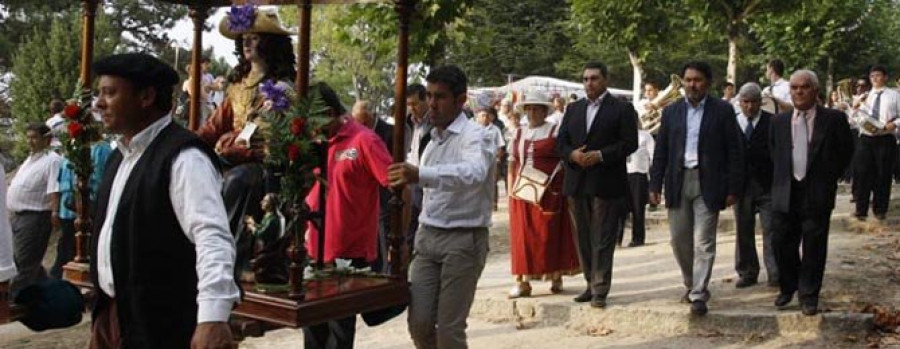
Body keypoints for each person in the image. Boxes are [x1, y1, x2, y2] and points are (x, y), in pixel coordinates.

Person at [89, 53, 239, 347]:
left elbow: (212, 237)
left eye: (110, 93)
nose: (99, 103)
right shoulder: (119, 156)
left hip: (160, 325)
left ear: (146, 97)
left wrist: (212, 317)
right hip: (114, 316)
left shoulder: (184, 157)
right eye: (99, 93)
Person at [387, 65, 494, 349]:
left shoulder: (475, 135)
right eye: (430, 96)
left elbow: (473, 173)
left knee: (449, 330)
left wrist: (420, 175)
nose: (432, 104)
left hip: (463, 239)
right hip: (428, 236)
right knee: (419, 325)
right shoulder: (431, 139)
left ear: (461, 100)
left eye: (441, 97)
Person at [198, 10, 296, 278]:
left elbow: (265, 135)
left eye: (254, 38)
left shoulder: (282, 88)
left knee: (238, 181)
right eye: (244, 38)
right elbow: (217, 124)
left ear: (269, 44)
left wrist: (231, 143)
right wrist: (191, 142)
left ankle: (238, 259)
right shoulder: (237, 86)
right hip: (232, 156)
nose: (247, 43)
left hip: (265, 163)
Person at [649, 61, 744, 316]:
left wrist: (733, 186)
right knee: (679, 239)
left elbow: (735, 150)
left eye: (698, 80)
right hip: (678, 181)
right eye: (688, 80)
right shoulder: (671, 112)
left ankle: (699, 293)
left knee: (704, 241)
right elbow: (661, 151)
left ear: (708, 83)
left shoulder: (722, 111)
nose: (692, 84)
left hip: (709, 182)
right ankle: (691, 283)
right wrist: (655, 183)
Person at [304, 83, 392, 349]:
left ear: (330, 112)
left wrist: (396, 244)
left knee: (338, 336)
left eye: (314, 119)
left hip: (349, 255)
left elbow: (396, 184)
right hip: (314, 252)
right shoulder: (314, 145)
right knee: (313, 333)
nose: (310, 126)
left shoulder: (365, 140)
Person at [769, 70, 853, 316]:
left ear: (815, 91)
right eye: (794, 88)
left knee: (814, 245)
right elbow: (774, 154)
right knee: (782, 242)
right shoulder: (779, 122)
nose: (798, 92)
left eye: (804, 87)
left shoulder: (834, 119)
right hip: (786, 191)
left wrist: (828, 177)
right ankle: (788, 286)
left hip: (817, 191)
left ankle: (808, 295)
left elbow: (845, 152)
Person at [556, 62, 638, 308]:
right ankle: (590, 282)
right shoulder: (573, 109)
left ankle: (601, 288)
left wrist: (601, 155)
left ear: (605, 80)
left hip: (606, 181)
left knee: (602, 237)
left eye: (594, 78)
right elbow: (561, 142)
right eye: (585, 79)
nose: (589, 83)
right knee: (582, 236)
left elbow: (629, 143)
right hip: (577, 182)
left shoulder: (621, 109)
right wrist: (572, 155)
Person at [507, 91, 580, 298]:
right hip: (523, 192)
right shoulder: (518, 133)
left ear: (544, 111)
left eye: (537, 108)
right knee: (523, 238)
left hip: (551, 191)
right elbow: (512, 162)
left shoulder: (555, 131)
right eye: (529, 108)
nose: (532, 112)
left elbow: (565, 158)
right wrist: (512, 189)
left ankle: (556, 275)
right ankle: (522, 282)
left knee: (550, 235)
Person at [732, 82, 777, 289]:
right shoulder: (732, 124)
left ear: (761, 102)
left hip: (767, 185)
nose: (749, 106)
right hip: (741, 188)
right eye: (745, 102)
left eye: (754, 102)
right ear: (739, 102)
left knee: (772, 230)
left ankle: (775, 272)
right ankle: (747, 271)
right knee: (743, 230)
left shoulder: (772, 123)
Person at [8, 123, 61, 294]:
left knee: (24, 262)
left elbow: (54, 188)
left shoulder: (52, 160)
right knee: (16, 259)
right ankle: (42, 293)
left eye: (34, 137)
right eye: (28, 137)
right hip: (17, 216)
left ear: (46, 139)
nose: (30, 141)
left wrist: (55, 212)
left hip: (35, 217)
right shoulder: (29, 159)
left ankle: (15, 299)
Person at [50, 133, 113, 279]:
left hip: (87, 209)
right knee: (65, 247)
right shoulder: (71, 148)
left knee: (81, 248)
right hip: (68, 209)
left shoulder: (101, 149)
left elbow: (101, 179)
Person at [852, 65, 900, 221]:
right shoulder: (864, 96)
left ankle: (880, 210)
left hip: (885, 137)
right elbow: (854, 119)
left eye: (878, 75)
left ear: (885, 77)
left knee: (883, 174)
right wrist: (855, 108)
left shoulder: (894, 95)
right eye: (872, 76)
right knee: (862, 174)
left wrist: (895, 124)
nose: (875, 78)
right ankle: (860, 211)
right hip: (866, 138)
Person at [351, 100, 394, 272]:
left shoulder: (390, 133)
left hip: (382, 196)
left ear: (372, 117)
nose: (360, 126)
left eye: (363, 122)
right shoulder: (355, 136)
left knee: (381, 240)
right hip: (361, 200)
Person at [403, 83, 432, 258]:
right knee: (409, 226)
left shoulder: (436, 123)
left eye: (414, 103)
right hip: (411, 181)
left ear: (425, 100)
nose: (411, 108)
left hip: (427, 178)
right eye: (408, 104)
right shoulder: (407, 123)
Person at [618, 113, 654, 247]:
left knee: (638, 208)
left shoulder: (645, 136)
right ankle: (617, 239)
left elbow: (653, 156)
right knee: (619, 208)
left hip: (639, 174)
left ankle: (638, 238)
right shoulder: (619, 136)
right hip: (622, 174)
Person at [475, 107, 506, 211]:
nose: (485, 118)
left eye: (487, 116)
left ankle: (493, 203)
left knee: (493, 182)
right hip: (477, 160)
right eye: (482, 116)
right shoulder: (473, 129)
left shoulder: (495, 129)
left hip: (492, 160)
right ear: (478, 117)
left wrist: (498, 159)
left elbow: (500, 145)